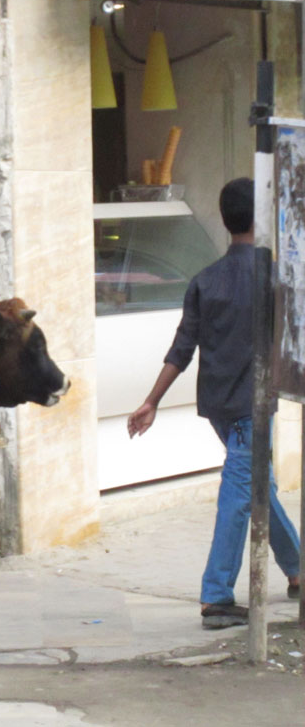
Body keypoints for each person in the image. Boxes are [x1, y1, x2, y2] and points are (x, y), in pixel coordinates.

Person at [127, 177, 301, 630]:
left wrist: (152, 401)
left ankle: (298, 569)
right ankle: (216, 595)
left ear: (225, 221)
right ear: (261, 217)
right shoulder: (276, 277)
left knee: (255, 483)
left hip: (219, 409)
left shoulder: (205, 281)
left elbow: (181, 349)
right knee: (240, 492)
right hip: (252, 408)